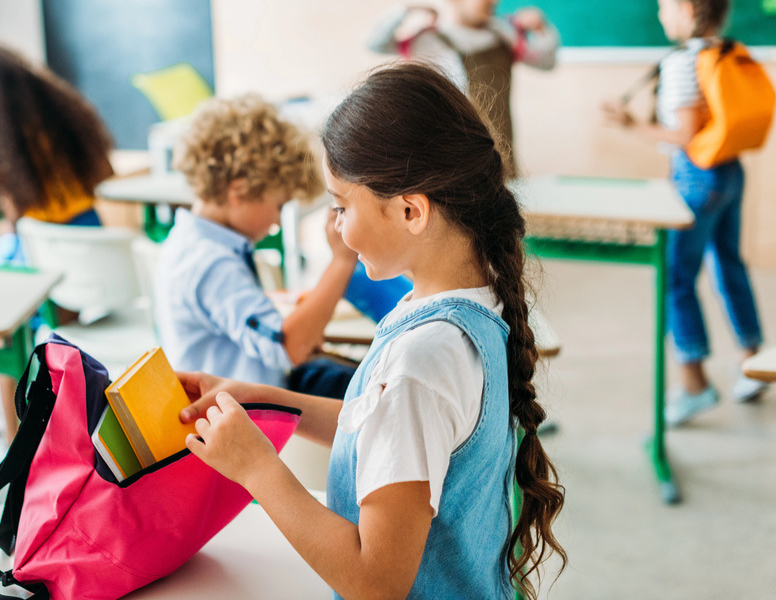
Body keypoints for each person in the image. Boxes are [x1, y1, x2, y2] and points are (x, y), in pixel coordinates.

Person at [177, 63, 565, 599]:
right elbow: (385, 433)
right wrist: (265, 400)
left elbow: (375, 583)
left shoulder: (421, 363)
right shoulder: (471, 304)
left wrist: (258, 470)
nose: (335, 227)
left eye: (341, 205)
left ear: (411, 211)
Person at [0, 42, 116, 438]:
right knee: (11, 313)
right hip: (90, 244)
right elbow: (97, 173)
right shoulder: (59, 112)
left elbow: (14, 214)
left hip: (44, 246)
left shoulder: (1, 137)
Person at [603, 0, 768, 425]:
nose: (660, 15)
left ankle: (694, 384)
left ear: (686, 9)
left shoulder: (682, 63)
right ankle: (754, 362)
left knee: (675, 275)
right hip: (729, 171)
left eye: (664, 7)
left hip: (698, 178)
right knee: (728, 263)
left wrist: (630, 124)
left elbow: (684, 135)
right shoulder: (724, 48)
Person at [156, 95, 358, 399]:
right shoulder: (209, 262)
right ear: (239, 190)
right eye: (279, 205)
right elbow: (287, 346)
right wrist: (342, 261)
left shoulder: (190, 240)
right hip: (239, 418)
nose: (277, 221)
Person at [367, 1, 560, 176]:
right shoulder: (430, 41)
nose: (492, 2)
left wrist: (540, 28)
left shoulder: (501, 34)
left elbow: (547, 62)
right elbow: (375, 44)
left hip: (501, 155)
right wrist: (407, 9)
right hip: (454, 162)